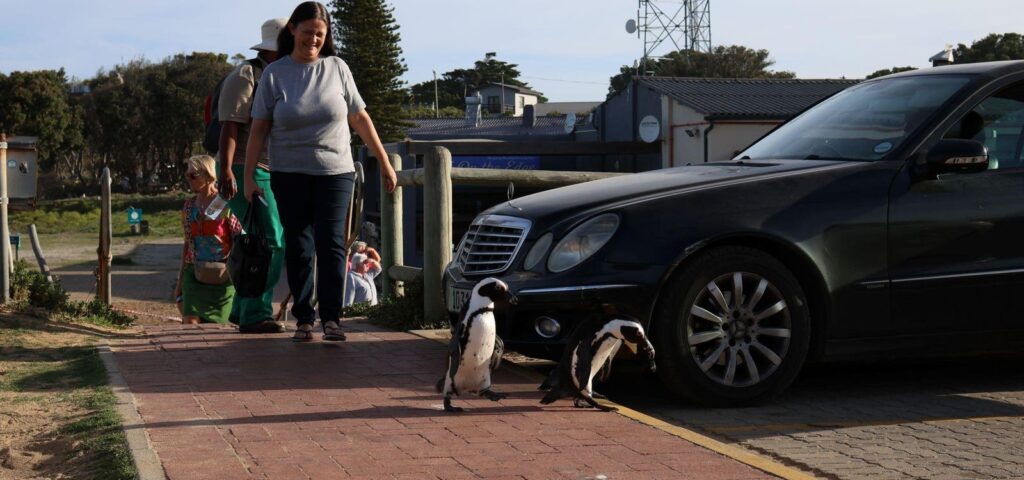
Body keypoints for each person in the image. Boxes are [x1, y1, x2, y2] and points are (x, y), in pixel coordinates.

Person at [244, 1, 397, 342]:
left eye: (320, 34)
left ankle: (332, 318)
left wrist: (384, 161)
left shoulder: (338, 68)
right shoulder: (275, 74)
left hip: (336, 172)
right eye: (308, 31)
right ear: (293, 31)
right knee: (299, 246)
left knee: (331, 244)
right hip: (289, 172)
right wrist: (248, 177)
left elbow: (360, 118)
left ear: (326, 37)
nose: (313, 39)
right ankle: (303, 318)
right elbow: (258, 129)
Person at [217, 17, 288, 334]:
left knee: (259, 241)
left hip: (269, 170)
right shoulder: (247, 74)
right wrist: (226, 171)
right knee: (270, 241)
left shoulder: (280, 74)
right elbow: (229, 126)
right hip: (246, 168)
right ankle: (255, 312)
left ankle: (242, 308)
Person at [175, 155, 243, 324]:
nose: (188, 180)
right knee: (190, 322)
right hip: (194, 273)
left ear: (208, 176)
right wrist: (180, 280)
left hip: (223, 275)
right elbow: (187, 243)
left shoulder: (226, 204)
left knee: (219, 328)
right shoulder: (189, 206)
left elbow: (239, 240)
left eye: (192, 175)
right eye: (187, 175)